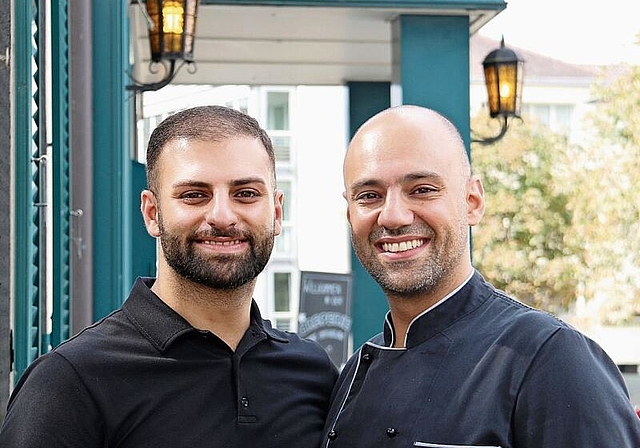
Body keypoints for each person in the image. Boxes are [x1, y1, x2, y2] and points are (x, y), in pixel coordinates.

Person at [0, 106, 337, 448]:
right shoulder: (71, 381)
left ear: (277, 212)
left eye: (246, 194)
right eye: (194, 195)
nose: (222, 216)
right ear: (152, 213)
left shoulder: (312, 373)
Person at [321, 105, 640, 447]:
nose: (393, 216)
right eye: (369, 196)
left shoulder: (550, 357)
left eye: (423, 189)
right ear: (350, 212)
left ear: (472, 201)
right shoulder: (353, 374)